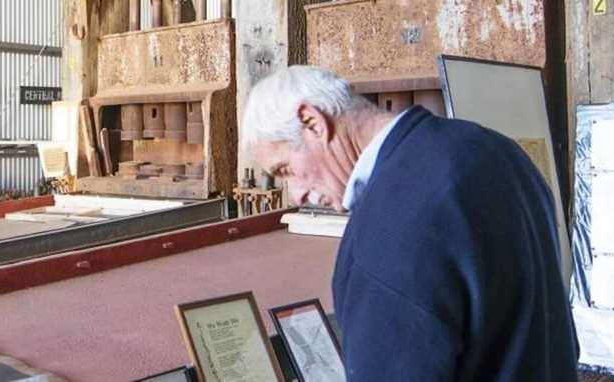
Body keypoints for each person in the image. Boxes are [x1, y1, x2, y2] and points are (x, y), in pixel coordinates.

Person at [242, 66, 578, 381]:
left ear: (312, 122)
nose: (296, 195)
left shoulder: (387, 226)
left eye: (285, 170)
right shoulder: (498, 150)